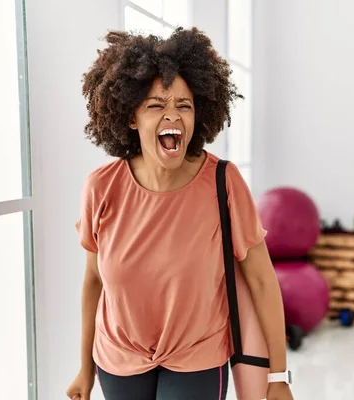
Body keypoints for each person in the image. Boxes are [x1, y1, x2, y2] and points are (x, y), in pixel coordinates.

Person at [65, 27, 294, 400]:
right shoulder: (101, 188)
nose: (173, 114)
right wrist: (84, 369)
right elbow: (94, 282)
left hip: (198, 358)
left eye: (184, 105)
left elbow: (264, 282)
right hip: (118, 359)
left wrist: (278, 376)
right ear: (131, 118)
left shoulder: (223, 182)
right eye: (156, 105)